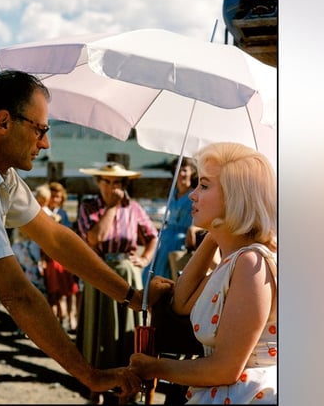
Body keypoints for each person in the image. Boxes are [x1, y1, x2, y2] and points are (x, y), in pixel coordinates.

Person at [0, 70, 173, 401]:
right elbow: (16, 293)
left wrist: (131, 297)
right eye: (40, 130)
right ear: (3, 123)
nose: (45, 143)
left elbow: (55, 238)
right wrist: (90, 375)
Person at [128, 142, 278, 404]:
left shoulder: (251, 263)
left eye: (205, 185)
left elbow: (226, 368)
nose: (192, 195)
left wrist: (154, 367)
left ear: (235, 196)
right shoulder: (234, 260)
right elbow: (182, 302)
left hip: (249, 395)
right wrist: (214, 235)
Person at [75, 162, 160, 404]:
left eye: (118, 183)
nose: (113, 187)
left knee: (125, 332)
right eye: (108, 181)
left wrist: (143, 259)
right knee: (97, 329)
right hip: (98, 272)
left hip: (126, 271)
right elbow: (94, 238)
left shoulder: (132, 207)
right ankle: (96, 389)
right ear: (99, 183)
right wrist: (111, 209)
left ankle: (127, 388)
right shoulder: (88, 207)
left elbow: (153, 235)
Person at [143, 157, 198, 282]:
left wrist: (194, 229)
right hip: (166, 237)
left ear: (192, 172)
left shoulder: (194, 195)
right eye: (178, 170)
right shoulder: (173, 193)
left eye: (184, 170)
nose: (181, 174)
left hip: (181, 239)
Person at [43, 181, 80, 332]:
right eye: (52, 196)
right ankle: (59, 317)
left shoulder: (62, 213)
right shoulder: (43, 212)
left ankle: (70, 316)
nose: (55, 199)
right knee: (54, 290)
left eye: (58, 196)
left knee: (70, 288)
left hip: (62, 255)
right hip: (49, 255)